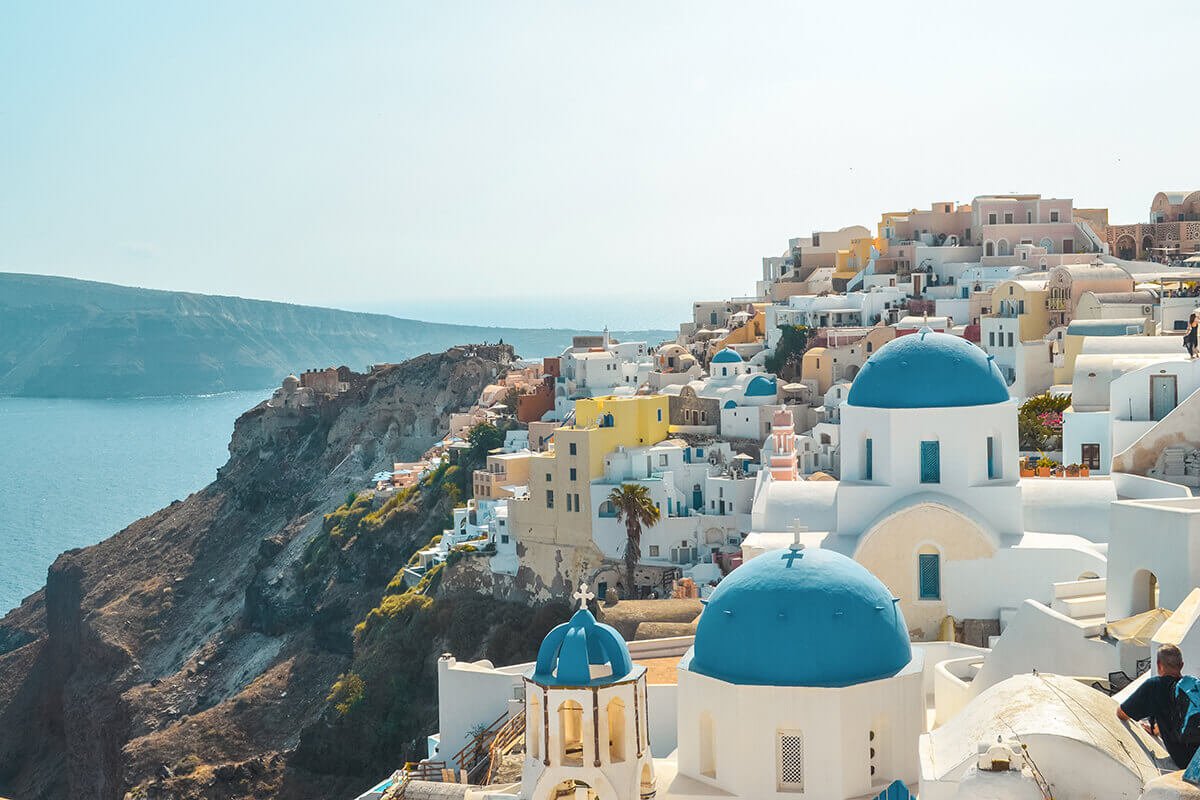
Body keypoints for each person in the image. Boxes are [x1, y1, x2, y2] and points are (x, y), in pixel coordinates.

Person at [1117, 644, 1199, 769]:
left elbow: (1122, 713)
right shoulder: (1193, 686)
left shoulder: (1154, 686)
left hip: (1188, 762)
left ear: (1159, 665)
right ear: (1182, 665)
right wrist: (1157, 728)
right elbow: (1180, 715)